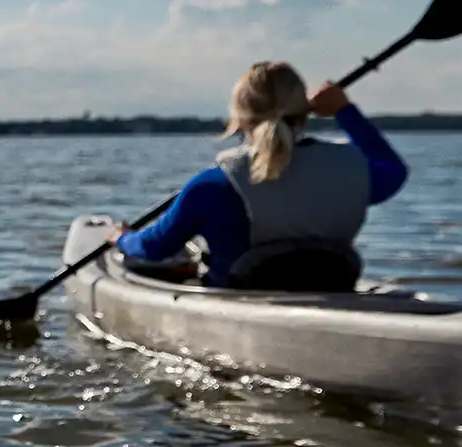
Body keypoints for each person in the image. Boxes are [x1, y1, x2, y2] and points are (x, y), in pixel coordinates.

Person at [111, 60, 408, 291]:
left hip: (237, 301)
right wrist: (345, 110)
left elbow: (154, 247)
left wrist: (122, 238)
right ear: (305, 114)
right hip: (331, 292)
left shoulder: (215, 184)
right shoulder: (351, 170)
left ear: (239, 119)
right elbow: (393, 170)